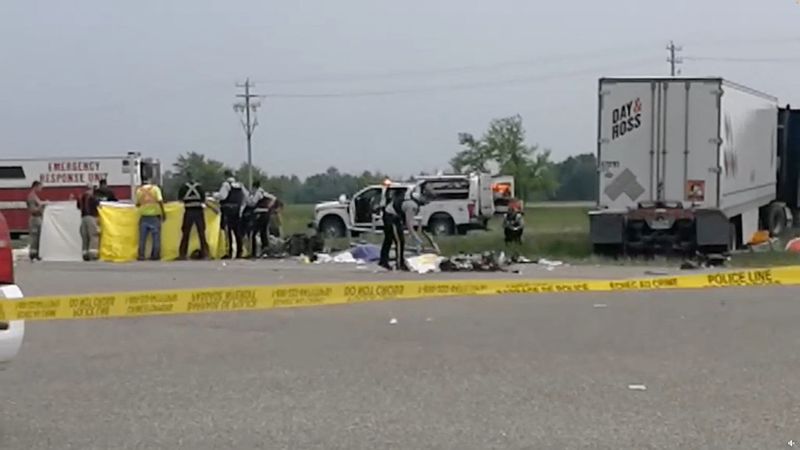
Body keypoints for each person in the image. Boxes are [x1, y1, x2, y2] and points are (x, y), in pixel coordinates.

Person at [379, 187, 426, 271]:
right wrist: (416, 237)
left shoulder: (409, 202)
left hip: (390, 216)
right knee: (399, 241)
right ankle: (399, 263)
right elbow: (409, 224)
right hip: (391, 217)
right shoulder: (412, 206)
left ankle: (383, 261)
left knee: (388, 239)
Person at [215, 171, 248, 259]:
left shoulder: (226, 185)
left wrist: (214, 195)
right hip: (237, 211)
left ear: (226, 176)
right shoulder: (240, 186)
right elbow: (246, 197)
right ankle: (239, 252)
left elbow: (223, 196)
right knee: (238, 233)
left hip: (227, 211)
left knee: (228, 232)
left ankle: (229, 252)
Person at [177, 174, 209, 260]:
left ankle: (182, 254)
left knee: (186, 233)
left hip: (188, 211)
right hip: (198, 211)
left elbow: (180, 199)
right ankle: (205, 253)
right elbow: (203, 199)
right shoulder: (200, 187)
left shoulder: (184, 187)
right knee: (201, 233)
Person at [135, 178, 165, 261]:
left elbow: (137, 204)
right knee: (156, 237)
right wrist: (163, 213)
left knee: (142, 238)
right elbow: (160, 201)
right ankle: (155, 255)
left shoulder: (139, 191)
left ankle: (141, 255)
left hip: (143, 216)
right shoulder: (155, 189)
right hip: (154, 216)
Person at [247, 181, 276, 258]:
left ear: (254, 187)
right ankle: (265, 251)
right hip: (266, 213)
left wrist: (248, 200)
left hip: (259, 213)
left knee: (254, 233)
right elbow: (273, 198)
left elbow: (253, 202)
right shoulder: (263, 192)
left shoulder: (258, 193)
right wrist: (269, 206)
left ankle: (253, 253)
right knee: (263, 233)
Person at [76, 183, 101, 261]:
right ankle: (93, 254)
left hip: (83, 219)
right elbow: (99, 206)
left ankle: (85, 254)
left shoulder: (81, 197)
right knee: (93, 235)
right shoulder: (92, 198)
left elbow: (78, 207)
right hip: (91, 218)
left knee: (85, 237)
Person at [26, 181, 45, 262]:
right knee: (34, 238)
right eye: (40, 187)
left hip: (38, 218)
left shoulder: (35, 196)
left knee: (38, 238)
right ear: (35, 186)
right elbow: (32, 210)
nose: (41, 189)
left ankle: (36, 254)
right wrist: (41, 206)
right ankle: (32, 255)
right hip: (34, 219)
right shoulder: (31, 197)